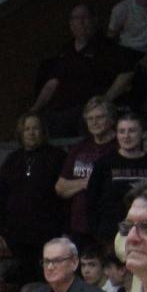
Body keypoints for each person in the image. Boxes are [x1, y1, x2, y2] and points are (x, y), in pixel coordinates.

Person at [0, 113, 69, 291]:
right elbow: (1, 197)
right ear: (21, 133)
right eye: (27, 129)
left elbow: (65, 199)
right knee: (24, 281)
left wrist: (65, 229)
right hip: (18, 236)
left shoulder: (57, 157)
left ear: (43, 131)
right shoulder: (12, 160)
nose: (31, 133)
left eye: (36, 128)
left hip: (49, 233)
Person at [33, 4, 133, 138]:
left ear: (94, 20)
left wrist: (105, 100)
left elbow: (126, 74)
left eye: (84, 17)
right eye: (76, 18)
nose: (81, 22)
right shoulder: (66, 51)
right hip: (62, 109)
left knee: (88, 119)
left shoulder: (107, 47)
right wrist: (34, 109)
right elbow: (52, 83)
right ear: (71, 24)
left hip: (89, 108)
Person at [84, 111, 147, 249]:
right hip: (109, 237)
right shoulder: (104, 164)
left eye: (132, 131)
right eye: (121, 131)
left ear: (143, 134)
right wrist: (97, 234)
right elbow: (91, 201)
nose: (126, 136)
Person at [55, 97, 119, 243]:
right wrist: (86, 183)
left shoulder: (120, 147)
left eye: (99, 117)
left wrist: (80, 184)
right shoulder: (79, 148)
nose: (94, 122)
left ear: (111, 119)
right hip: (80, 226)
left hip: (110, 224)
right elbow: (60, 188)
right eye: (90, 119)